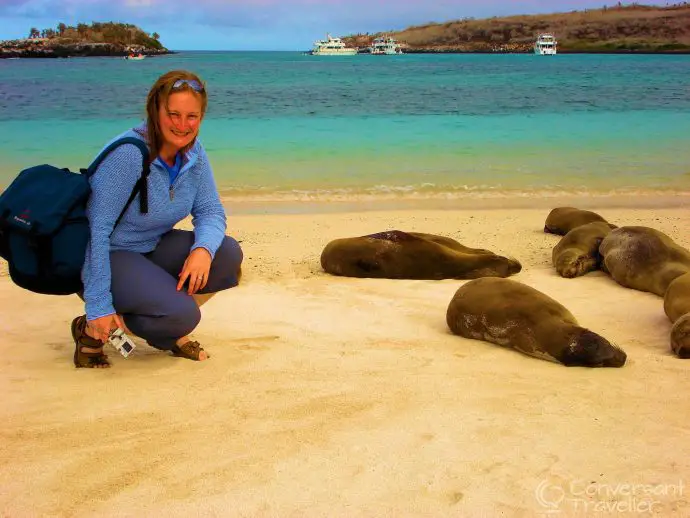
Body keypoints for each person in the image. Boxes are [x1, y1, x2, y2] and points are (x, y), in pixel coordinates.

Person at [72, 69, 243, 368]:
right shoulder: (129, 154)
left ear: (201, 117)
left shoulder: (195, 155)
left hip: (151, 246)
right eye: (173, 114)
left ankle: (163, 321)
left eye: (192, 116)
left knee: (227, 255)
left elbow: (210, 211)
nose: (182, 125)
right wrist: (98, 304)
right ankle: (93, 328)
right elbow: (95, 230)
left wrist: (202, 250)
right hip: (109, 254)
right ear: (155, 110)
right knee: (185, 315)